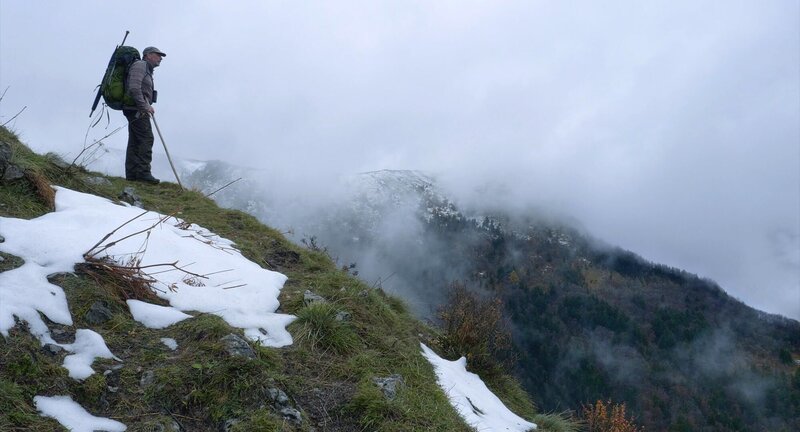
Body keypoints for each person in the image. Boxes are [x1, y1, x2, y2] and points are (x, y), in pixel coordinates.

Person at [123, 46, 166, 184]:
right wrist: (144, 106)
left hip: (135, 108)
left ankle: (132, 174)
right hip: (136, 109)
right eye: (157, 55)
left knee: (135, 140)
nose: (160, 58)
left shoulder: (146, 68)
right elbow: (134, 87)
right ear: (148, 55)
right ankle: (143, 173)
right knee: (147, 138)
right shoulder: (140, 66)